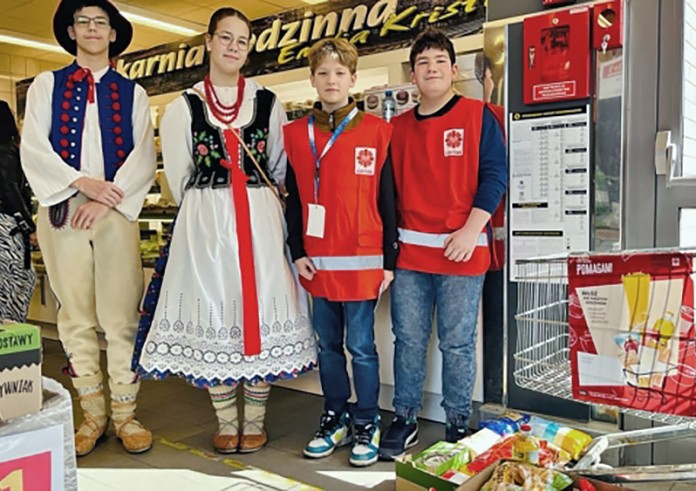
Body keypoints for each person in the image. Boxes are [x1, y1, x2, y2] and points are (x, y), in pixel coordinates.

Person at [132, 7, 317, 455]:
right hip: (207, 219)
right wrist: (208, 208)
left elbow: (276, 164)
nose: (234, 47)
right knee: (216, 307)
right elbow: (178, 174)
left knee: (263, 301)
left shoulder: (267, 102)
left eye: (242, 41)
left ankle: (253, 418)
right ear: (209, 43)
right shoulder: (183, 106)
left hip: (258, 216)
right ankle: (225, 419)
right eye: (227, 38)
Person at [21, 0, 156, 456]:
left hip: (116, 210)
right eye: (84, 22)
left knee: (121, 318)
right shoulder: (45, 84)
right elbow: (34, 147)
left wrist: (105, 199)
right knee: (75, 316)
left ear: (114, 33)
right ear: (72, 31)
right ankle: (92, 415)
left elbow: (143, 157)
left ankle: (125, 413)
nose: (93, 28)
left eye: (102, 22)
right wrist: (81, 184)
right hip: (63, 204)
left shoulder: (133, 92)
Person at [379, 28, 507, 460]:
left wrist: (472, 228)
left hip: (463, 250)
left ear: (453, 70)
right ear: (412, 76)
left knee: (457, 342)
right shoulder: (394, 129)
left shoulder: (478, 115)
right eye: (422, 63)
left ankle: (456, 422)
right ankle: (404, 417)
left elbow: (495, 176)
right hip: (411, 254)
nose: (431, 69)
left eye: (439, 61)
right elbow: (385, 194)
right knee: (408, 339)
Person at [283, 38, 398, 467]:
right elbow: (293, 198)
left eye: (340, 73)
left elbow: (388, 199)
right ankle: (335, 416)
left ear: (353, 79)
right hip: (317, 262)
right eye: (323, 73)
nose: (331, 81)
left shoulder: (377, 131)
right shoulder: (295, 134)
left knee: (363, 347)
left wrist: (389, 259)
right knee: (328, 345)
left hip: (365, 262)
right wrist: (296, 249)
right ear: (312, 79)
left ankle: (367, 419)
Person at [0, 101, 36, 323]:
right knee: (15, 283)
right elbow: (10, 190)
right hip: (7, 226)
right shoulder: (6, 151)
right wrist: (30, 227)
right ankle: (11, 347)